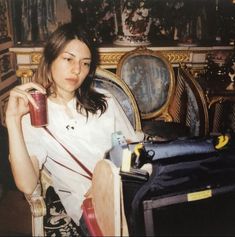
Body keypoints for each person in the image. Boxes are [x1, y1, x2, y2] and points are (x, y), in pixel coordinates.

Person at [6, 23, 143, 235]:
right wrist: (13, 120)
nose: (77, 69)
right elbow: (26, 184)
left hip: (129, 193)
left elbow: (133, 146)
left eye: (85, 63)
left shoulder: (105, 101)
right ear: (50, 59)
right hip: (91, 208)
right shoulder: (34, 116)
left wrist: (111, 183)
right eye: (68, 59)